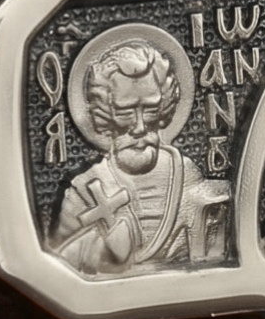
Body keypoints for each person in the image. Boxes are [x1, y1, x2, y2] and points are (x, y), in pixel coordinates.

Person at [50, 40, 228, 274]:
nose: (140, 127)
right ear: (104, 112)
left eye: (151, 109)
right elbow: (60, 267)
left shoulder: (188, 177)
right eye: (125, 112)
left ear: (165, 106)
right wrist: (98, 252)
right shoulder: (83, 193)